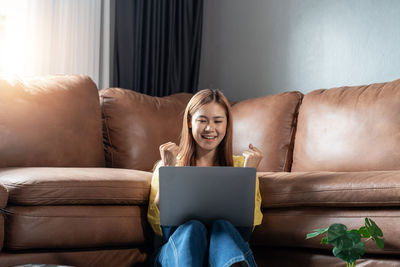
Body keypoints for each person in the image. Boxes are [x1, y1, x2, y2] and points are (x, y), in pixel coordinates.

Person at [147, 89, 263, 267]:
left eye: (218, 121)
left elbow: (249, 225)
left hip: (227, 249)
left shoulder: (243, 166)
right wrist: (169, 170)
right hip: (178, 251)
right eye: (202, 120)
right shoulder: (167, 164)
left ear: (227, 125)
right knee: (192, 228)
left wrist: (248, 173)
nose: (210, 128)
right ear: (190, 122)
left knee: (222, 227)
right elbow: (158, 226)